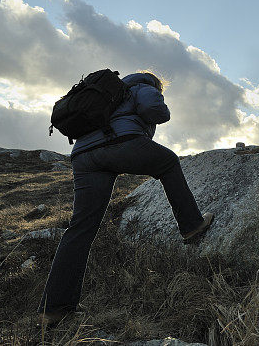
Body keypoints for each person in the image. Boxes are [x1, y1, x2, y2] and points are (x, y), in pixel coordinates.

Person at [37, 70, 214, 327]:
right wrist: (157, 101)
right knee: (168, 162)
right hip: (121, 143)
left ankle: (53, 310)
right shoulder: (143, 87)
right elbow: (157, 111)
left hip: (84, 157)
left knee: (81, 228)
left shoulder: (109, 93)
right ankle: (192, 226)